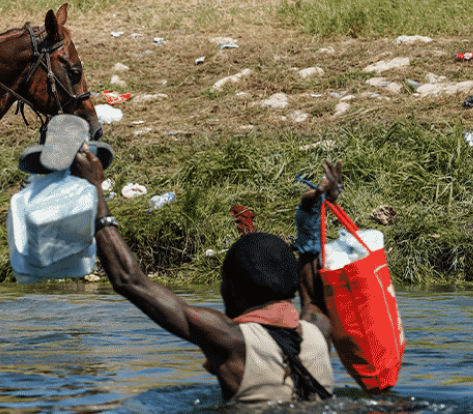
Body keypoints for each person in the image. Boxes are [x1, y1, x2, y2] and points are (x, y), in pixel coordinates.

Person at [69, 150, 343, 403]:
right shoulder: (319, 327)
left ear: (232, 289)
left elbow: (130, 281)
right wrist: (309, 212)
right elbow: (311, 280)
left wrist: (95, 190)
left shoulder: (229, 339)